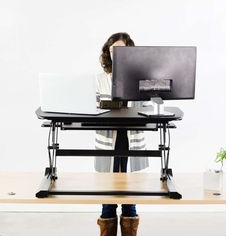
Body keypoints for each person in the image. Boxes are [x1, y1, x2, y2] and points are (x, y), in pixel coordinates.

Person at [95, 32, 149, 236]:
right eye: (112, 50)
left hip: (131, 141)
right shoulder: (100, 80)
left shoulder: (139, 77)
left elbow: (146, 106)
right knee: (107, 199)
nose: (116, 54)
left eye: (121, 50)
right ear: (108, 53)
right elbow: (94, 109)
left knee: (130, 198)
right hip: (108, 142)